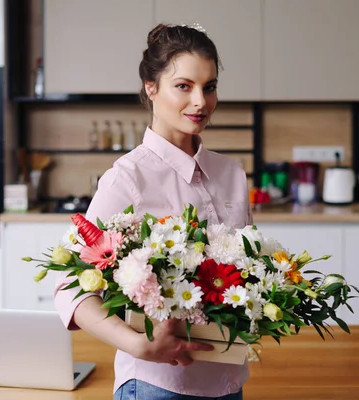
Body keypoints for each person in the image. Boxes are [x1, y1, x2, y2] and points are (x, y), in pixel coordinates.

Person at [54, 23, 252, 400]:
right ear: (151, 87)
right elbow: (70, 287)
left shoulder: (232, 174)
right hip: (157, 386)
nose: (200, 102)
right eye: (184, 86)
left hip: (229, 384)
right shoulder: (127, 179)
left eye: (209, 87)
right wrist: (137, 345)